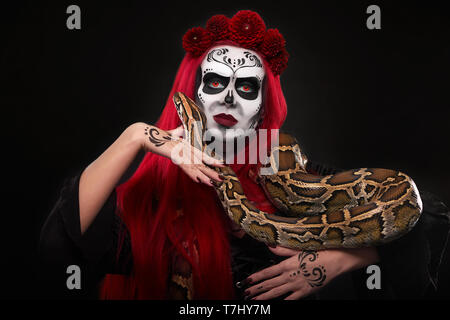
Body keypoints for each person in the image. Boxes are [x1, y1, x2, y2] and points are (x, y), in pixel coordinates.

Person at [38, 10, 449, 300]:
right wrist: (135, 136)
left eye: (247, 88)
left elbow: (421, 212)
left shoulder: (292, 174)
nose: (229, 99)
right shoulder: (153, 195)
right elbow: (61, 242)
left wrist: (346, 257)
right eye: (215, 82)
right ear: (191, 92)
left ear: (263, 105)